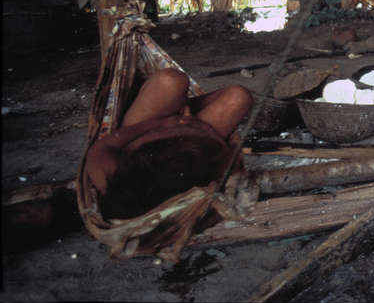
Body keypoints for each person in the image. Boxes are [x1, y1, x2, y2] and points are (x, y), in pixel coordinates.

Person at [85, 68, 253, 219]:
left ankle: (178, 105)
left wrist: (165, 123)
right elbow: (220, 150)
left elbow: (111, 141)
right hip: (199, 137)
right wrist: (189, 125)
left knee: (171, 80)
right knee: (239, 96)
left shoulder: (106, 170)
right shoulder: (182, 192)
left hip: (144, 129)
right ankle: (180, 106)